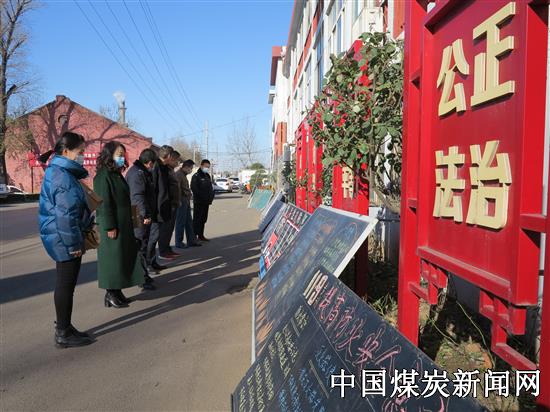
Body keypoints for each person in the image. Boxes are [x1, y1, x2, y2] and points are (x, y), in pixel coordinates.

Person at [38, 131, 95, 348]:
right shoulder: (62, 176)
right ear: (65, 151)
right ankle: (62, 333)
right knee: (65, 284)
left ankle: (66, 326)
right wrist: (73, 245)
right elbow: (66, 215)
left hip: (62, 236)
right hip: (64, 238)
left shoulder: (61, 172)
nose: (82, 155)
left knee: (67, 284)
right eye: (80, 151)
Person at [94, 141, 145, 308]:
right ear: (109, 155)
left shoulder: (116, 174)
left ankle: (117, 292)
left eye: (123, 155)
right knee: (112, 260)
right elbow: (104, 204)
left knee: (121, 259)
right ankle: (111, 293)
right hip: (112, 225)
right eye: (119, 154)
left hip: (123, 223)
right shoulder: (103, 176)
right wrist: (110, 226)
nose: (122, 158)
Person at [126, 148, 159, 290]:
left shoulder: (141, 172)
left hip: (140, 213)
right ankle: (141, 278)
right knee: (140, 246)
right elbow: (137, 197)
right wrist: (145, 215)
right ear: (150, 163)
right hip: (138, 214)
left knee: (143, 244)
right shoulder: (137, 174)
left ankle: (144, 274)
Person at [148, 145, 178, 264]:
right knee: (154, 236)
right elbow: (154, 189)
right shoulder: (156, 166)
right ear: (169, 156)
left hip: (165, 205)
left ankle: (153, 260)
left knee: (161, 233)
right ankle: (149, 261)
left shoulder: (164, 167)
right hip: (158, 208)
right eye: (173, 156)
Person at [158, 150, 182, 258]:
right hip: (168, 204)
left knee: (170, 229)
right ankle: (163, 251)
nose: (177, 162)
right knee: (165, 229)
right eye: (176, 160)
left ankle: (167, 248)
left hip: (174, 203)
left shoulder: (171, 170)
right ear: (171, 159)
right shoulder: (164, 170)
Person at [174, 159, 202, 249]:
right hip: (181, 201)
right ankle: (179, 242)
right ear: (186, 167)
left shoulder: (183, 175)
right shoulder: (179, 174)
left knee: (188, 222)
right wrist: (178, 200)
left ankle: (191, 240)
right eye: (190, 168)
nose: (191, 170)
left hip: (186, 200)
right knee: (180, 222)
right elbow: (177, 189)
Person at [191, 159, 214, 242]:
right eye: (205, 167)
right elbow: (194, 188)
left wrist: (211, 196)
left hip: (206, 202)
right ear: (201, 166)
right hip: (199, 202)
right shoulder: (196, 176)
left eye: (208, 167)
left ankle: (201, 236)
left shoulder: (207, 176)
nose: (207, 168)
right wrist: (202, 197)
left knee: (203, 219)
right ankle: (194, 237)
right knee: (197, 220)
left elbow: (210, 188)